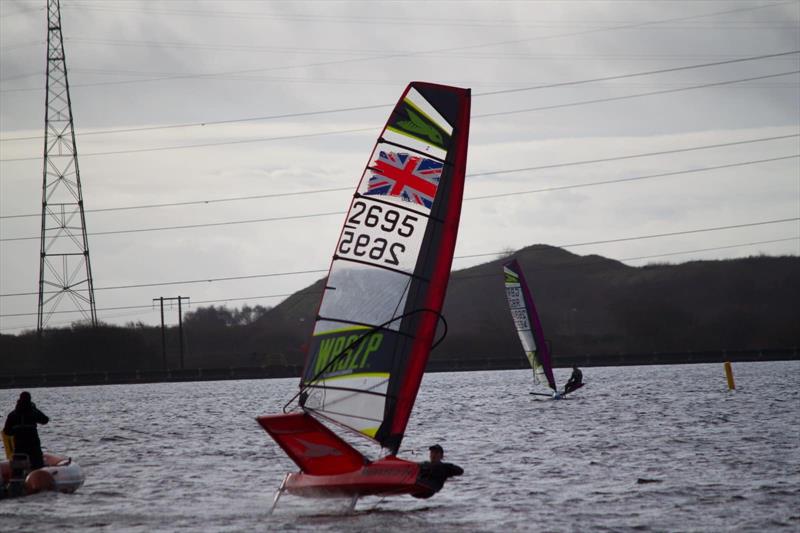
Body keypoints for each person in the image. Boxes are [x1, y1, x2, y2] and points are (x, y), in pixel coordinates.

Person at [3, 392, 49, 470]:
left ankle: (16, 478)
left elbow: (6, 431)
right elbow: (45, 420)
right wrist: (35, 409)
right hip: (33, 445)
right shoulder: (33, 412)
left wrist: (15, 432)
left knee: (17, 467)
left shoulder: (12, 415)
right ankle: (37, 474)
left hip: (19, 446)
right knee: (37, 464)